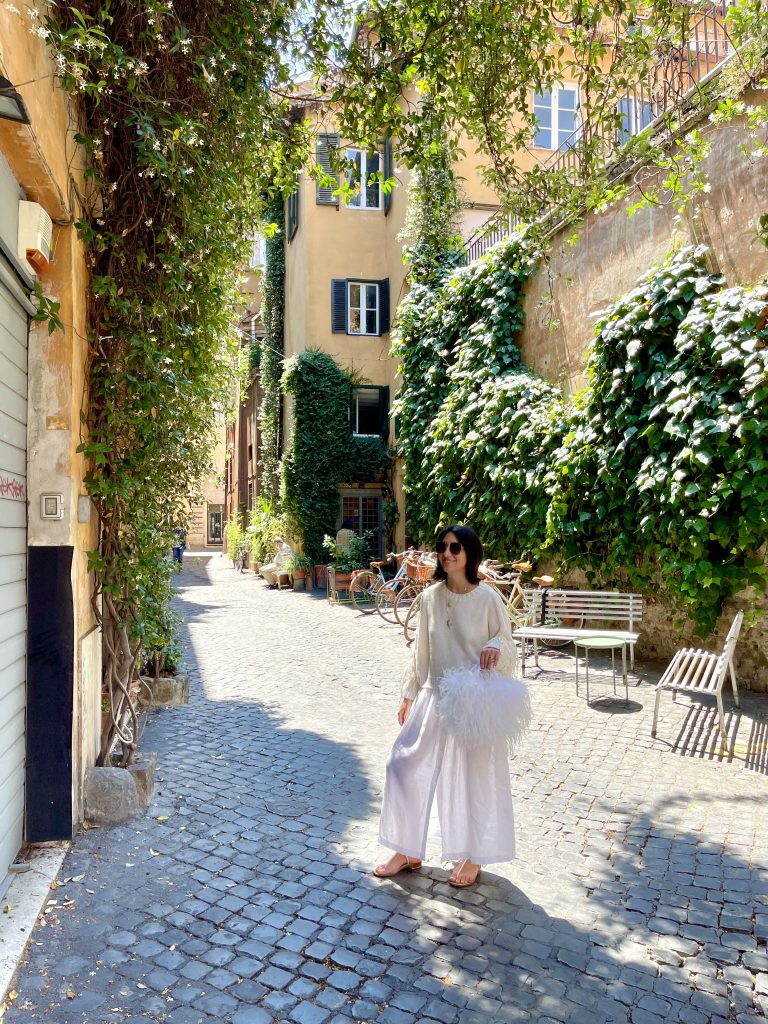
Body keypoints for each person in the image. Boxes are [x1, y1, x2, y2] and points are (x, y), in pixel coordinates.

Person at [374, 524, 518, 888]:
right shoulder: (430, 597)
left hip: (473, 700)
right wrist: (409, 694)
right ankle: (406, 850)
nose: (447, 553)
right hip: (434, 694)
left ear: (470, 553)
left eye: (456, 547)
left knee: (473, 778)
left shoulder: (488, 599)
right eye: (443, 546)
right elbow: (420, 651)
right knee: (402, 765)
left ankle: (473, 855)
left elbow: (507, 643)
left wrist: (495, 647)